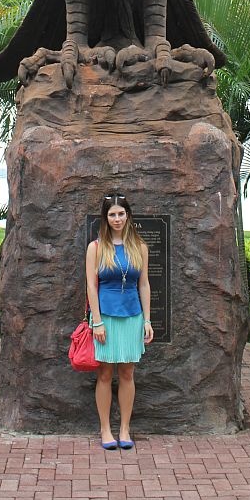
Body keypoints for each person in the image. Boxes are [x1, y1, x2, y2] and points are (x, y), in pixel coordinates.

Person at [86, 193, 154, 450]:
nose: (117, 218)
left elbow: (144, 284)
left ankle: (125, 428)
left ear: (128, 215)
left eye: (121, 214)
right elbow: (92, 287)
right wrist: (98, 322)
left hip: (132, 317)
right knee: (104, 373)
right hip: (106, 318)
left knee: (127, 373)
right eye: (112, 214)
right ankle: (105, 429)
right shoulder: (96, 248)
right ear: (105, 218)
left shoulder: (140, 247)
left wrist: (147, 320)